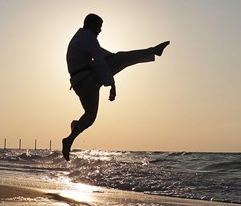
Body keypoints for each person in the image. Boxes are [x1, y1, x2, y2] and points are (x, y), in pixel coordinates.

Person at [63, 13, 169, 160]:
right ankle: (153, 51)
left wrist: (113, 60)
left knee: (90, 116)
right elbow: (100, 59)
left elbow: (102, 54)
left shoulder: (80, 38)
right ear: (91, 25)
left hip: (79, 84)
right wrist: (112, 84)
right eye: (99, 27)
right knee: (120, 58)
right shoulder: (87, 36)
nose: (100, 31)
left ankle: (70, 137)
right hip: (88, 79)